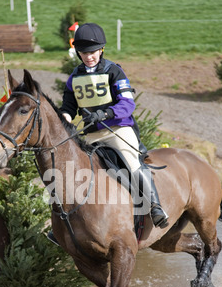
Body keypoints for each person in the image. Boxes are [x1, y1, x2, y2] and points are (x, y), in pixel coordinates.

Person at [51, 22, 168, 243]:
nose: (89, 57)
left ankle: (155, 206)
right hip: (92, 135)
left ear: (101, 50)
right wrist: (64, 120)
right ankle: (64, 223)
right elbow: (68, 108)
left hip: (118, 130)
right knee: (73, 171)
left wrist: (104, 114)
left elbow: (127, 104)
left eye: (93, 52)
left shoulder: (114, 71)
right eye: (84, 52)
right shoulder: (74, 78)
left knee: (133, 164)